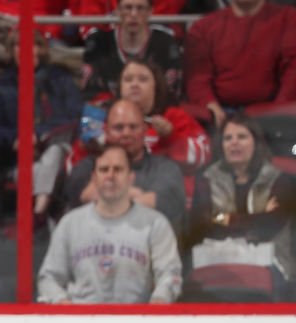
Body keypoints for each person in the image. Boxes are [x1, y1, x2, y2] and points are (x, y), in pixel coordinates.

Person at [38, 144, 181, 303]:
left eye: (118, 170)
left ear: (131, 177)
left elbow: (170, 275)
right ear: (94, 178)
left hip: (135, 322)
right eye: (104, 170)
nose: (110, 176)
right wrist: (64, 306)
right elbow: (49, 277)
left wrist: (157, 305)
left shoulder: (155, 223)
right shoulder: (70, 224)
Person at [184, 114, 296, 302]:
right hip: (217, 259)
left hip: (272, 263)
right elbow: (201, 223)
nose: (234, 143)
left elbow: (269, 227)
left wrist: (222, 217)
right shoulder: (207, 179)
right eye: (228, 138)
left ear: (256, 143)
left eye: (242, 137)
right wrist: (256, 216)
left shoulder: (280, 180)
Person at [0, 28, 83, 218]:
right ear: (12, 51)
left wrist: (38, 135)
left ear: (40, 49)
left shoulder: (60, 78)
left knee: (54, 153)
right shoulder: (2, 86)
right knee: (36, 169)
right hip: (21, 159)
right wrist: (15, 139)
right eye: (19, 45)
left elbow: (74, 114)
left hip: (60, 148)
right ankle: (42, 211)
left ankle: (38, 211)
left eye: (32, 44)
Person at [64, 99, 186, 233]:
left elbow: (165, 203)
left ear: (144, 130)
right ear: (107, 131)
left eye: (133, 127)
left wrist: (109, 198)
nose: (126, 134)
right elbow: (86, 195)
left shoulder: (165, 168)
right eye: (118, 128)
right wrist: (137, 196)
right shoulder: (87, 166)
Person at [183, 0, 296, 128]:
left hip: (273, 112)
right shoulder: (203, 27)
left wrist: (278, 112)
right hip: (220, 114)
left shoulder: (289, 19)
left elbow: (292, 73)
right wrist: (209, 103)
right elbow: (198, 78)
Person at [80, 0, 183, 101]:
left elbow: (171, 94)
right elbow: (91, 95)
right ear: (117, 11)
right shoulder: (99, 43)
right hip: (111, 114)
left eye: (140, 8)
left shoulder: (165, 44)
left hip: (155, 113)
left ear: (150, 11)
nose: (134, 14)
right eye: (128, 8)